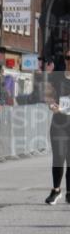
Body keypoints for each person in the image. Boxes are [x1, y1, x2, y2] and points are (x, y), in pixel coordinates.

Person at [44, 49, 70, 204]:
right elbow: (48, 94)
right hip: (59, 122)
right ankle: (56, 190)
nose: (69, 60)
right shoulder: (57, 77)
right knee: (59, 155)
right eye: (68, 57)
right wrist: (51, 104)